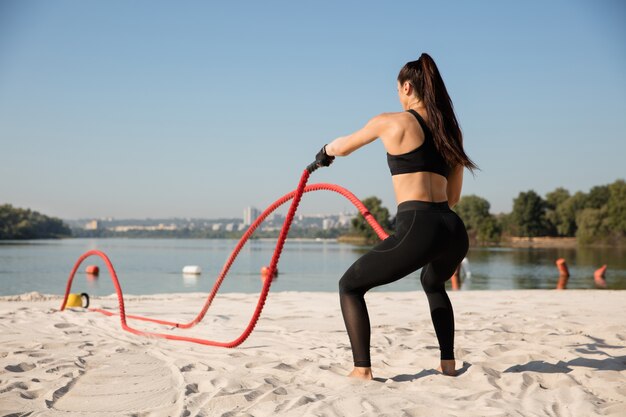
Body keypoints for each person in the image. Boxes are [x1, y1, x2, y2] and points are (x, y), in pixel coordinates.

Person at [314, 53, 477, 380]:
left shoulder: (392, 121)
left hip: (420, 225)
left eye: (397, 90)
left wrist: (325, 152)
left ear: (406, 87)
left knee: (349, 285)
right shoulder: (451, 132)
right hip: (453, 229)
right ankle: (448, 365)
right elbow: (454, 198)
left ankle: (361, 370)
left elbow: (344, 147)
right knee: (433, 282)